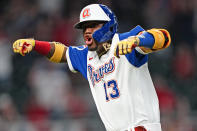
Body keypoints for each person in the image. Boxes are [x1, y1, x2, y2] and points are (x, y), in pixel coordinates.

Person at [12, 4, 171, 131]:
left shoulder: (126, 41)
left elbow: (162, 38)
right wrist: (35, 44)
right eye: (84, 27)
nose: (87, 31)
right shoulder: (87, 56)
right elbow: (62, 53)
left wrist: (138, 41)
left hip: (140, 128)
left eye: (93, 25)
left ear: (108, 25)